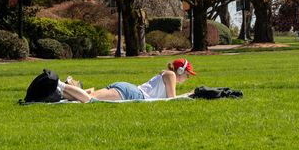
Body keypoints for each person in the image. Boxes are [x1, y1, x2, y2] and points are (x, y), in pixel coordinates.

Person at [59, 58, 197, 103]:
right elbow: (171, 99)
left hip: (128, 90)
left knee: (83, 99)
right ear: (179, 71)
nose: (188, 77)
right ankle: (59, 85)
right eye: (187, 73)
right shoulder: (171, 75)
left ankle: (60, 90)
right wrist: (187, 95)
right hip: (132, 93)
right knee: (89, 100)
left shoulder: (167, 74)